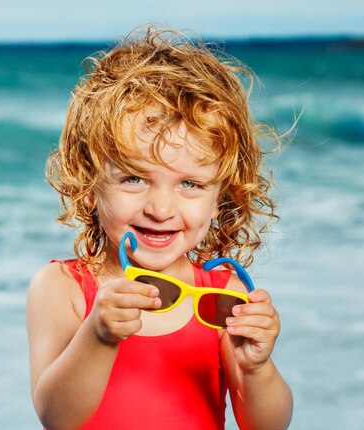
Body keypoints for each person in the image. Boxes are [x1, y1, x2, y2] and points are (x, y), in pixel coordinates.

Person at [26, 27, 293, 430]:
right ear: (89, 179)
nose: (160, 209)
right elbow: (56, 417)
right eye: (134, 178)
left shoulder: (219, 294)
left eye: (190, 184)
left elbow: (268, 425)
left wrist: (257, 367)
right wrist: (98, 336)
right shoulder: (62, 288)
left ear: (222, 193)